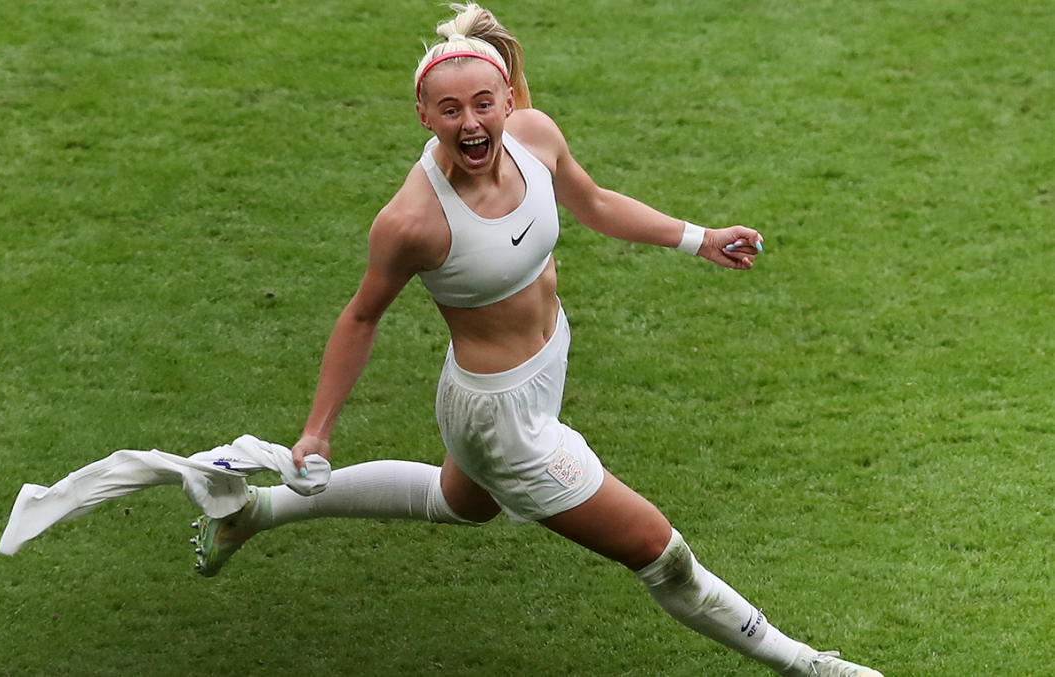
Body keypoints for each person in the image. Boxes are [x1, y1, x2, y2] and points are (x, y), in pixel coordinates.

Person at [190, 5, 883, 676]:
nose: (471, 122)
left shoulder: (535, 135)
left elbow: (594, 201)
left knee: (463, 502)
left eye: (484, 103)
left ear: (505, 102)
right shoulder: (412, 222)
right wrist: (315, 432)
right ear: (424, 117)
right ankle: (810, 666)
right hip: (499, 417)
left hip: (539, 370)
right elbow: (361, 317)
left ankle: (252, 512)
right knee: (658, 549)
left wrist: (700, 239)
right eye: (451, 110)